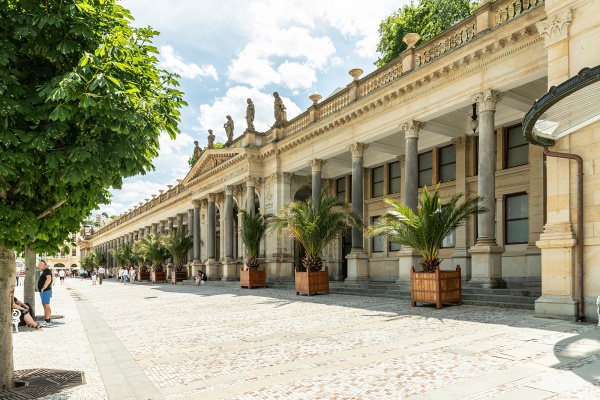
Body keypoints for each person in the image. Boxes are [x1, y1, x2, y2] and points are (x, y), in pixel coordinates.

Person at [37, 260, 53, 327]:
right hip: (45, 291)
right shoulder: (45, 271)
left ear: (44, 265)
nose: (38, 266)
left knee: (46, 306)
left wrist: (44, 287)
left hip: (45, 291)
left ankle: (47, 321)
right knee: (46, 306)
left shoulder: (47, 271)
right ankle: (47, 320)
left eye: (40, 265)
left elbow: (49, 279)